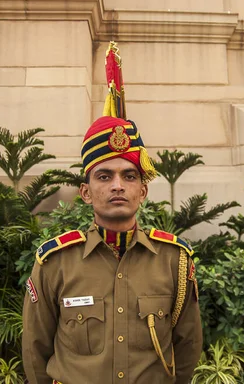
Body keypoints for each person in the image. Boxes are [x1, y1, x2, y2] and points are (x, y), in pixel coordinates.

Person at [22, 42, 202, 384]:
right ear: (86, 193)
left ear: (143, 190)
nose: (117, 185)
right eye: (105, 176)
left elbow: (188, 345)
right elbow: (35, 349)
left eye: (129, 176)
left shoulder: (174, 260)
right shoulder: (56, 262)